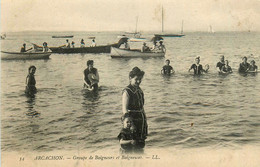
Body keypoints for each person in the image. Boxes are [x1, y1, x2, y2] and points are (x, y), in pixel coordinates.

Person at [122, 67, 147, 149]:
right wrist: (130, 124)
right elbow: (124, 110)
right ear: (130, 78)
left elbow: (142, 106)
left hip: (141, 120)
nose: (139, 81)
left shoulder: (139, 90)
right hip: (132, 120)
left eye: (140, 79)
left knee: (141, 143)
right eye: (136, 79)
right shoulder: (127, 91)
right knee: (131, 143)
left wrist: (145, 121)